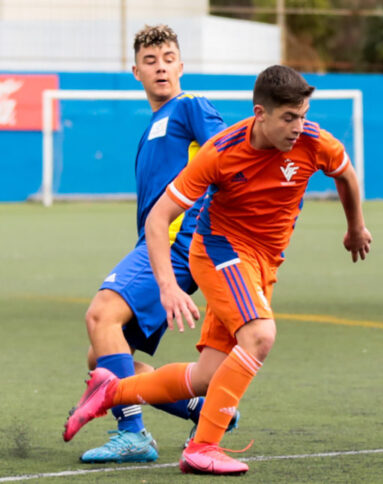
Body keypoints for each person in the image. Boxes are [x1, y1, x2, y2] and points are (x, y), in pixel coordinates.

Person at [63, 65, 372, 476]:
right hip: (219, 250)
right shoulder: (222, 151)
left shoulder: (315, 141)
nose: (299, 127)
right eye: (288, 118)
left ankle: (112, 389)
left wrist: (356, 227)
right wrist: (168, 287)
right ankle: (203, 445)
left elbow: (346, 175)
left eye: (302, 115)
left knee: (208, 376)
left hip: (265, 261)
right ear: (260, 113)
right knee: (260, 335)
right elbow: (158, 220)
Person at [76, 25, 235, 463]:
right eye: (150, 60)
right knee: (102, 355)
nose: (160, 66)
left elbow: (227, 154)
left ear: (181, 66)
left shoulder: (189, 106)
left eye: (168, 57)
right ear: (135, 72)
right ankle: (197, 408)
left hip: (177, 245)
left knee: (101, 314)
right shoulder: (152, 127)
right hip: (159, 248)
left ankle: (133, 434)